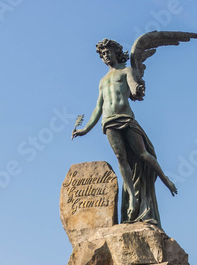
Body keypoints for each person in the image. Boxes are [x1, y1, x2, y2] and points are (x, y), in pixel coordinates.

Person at [72, 38, 177, 223]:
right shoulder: (103, 81)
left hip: (126, 119)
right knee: (122, 159)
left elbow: (134, 88)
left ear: (116, 52)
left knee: (143, 154)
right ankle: (132, 199)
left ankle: (165, 179)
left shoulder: (126, 71)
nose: (106, 56)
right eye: (102, 54)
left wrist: (137, 89)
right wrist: (86, 129)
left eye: (108, 52)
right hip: (109, 121)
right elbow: (98, 107)